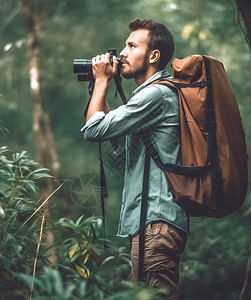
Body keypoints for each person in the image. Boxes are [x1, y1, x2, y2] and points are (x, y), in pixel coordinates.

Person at [81, 18, 189, 299]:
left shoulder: (156, 94)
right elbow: (121, 147)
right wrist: (104, 85)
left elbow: (93, 130)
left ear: (154, 56)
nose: (123, 53)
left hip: (156, 223)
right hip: (151, 225)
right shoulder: (150, 97)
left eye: (131, 46)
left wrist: (102, 80)